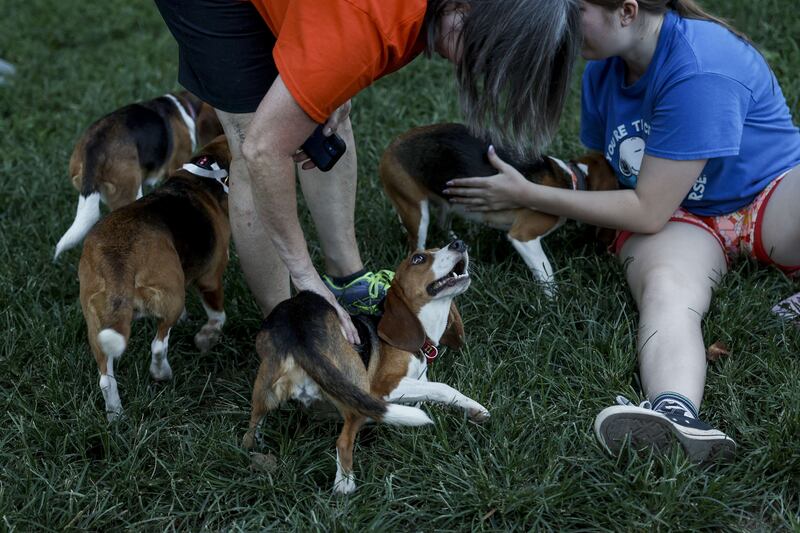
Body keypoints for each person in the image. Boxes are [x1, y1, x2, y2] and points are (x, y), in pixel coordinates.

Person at [446, 0, 800, 462]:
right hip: (686, 220)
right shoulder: (602, 71)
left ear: (627, 11)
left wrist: (530, 194)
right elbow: (617, 179)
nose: (561, 25)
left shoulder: (699, 66)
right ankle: (674, 412)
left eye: (574, 12)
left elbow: (646, 210)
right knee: (666, 292)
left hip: (768, 191)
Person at [153, 0, 582, 344]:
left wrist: (328, 76)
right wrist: (305, 274)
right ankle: (291, 324)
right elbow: (264, 149)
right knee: (253, 138)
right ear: (464, 11)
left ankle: (347, 279)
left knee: (327, 113)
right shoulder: (372, 24)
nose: (486, 71)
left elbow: (338, 37)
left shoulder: (417, 18)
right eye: (490, 54)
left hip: (343, 19)